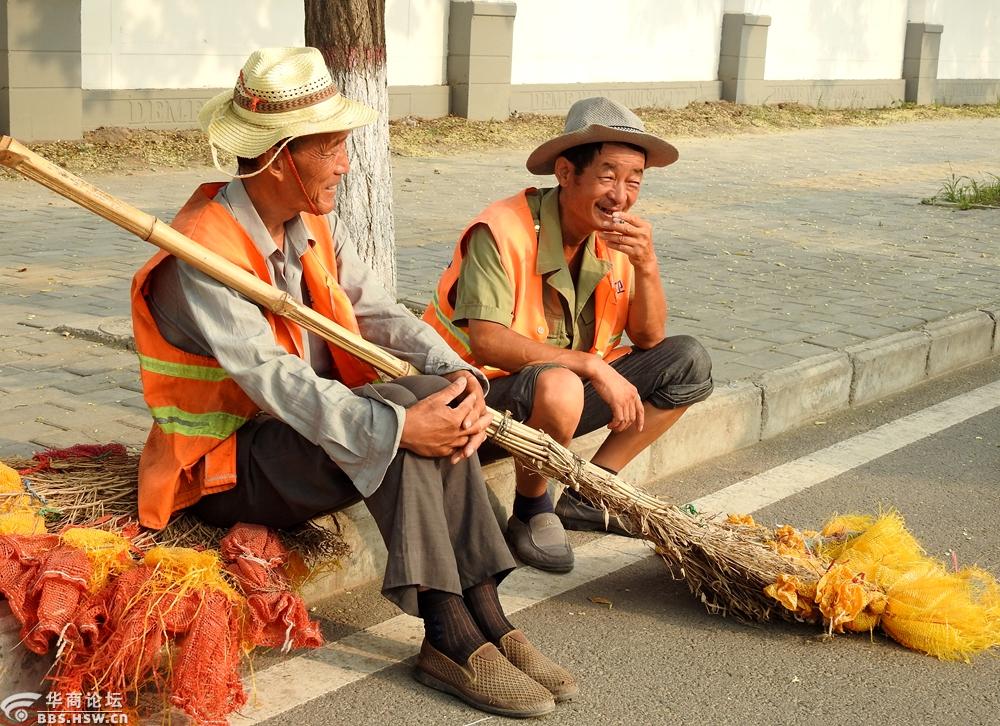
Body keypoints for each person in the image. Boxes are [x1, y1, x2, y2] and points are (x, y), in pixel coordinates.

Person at [130, 47, 574, 718]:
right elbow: (275, 379)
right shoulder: (202, 252)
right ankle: (450, 632)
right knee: (400, 425)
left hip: (299, 440)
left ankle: (486, 616)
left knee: (429, 399)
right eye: (331, 148)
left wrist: (455, 373)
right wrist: (396, 425)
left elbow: (377, 311)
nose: (346, 163)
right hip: (222, 468)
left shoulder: (309, 219)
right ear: (279, 157)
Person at [424, 97, 714, 573]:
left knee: (688, 361)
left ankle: (589, 494)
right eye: (607, 176)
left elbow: (649, 337)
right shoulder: (502, 229)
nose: (620, 196)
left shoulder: (614, 238)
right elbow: (487, 342)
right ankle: (531, 508)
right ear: (565, 172)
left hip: (560, 400)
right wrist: (590, 365)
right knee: (560, 383)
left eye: (634, 181)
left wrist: (647, 264)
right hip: (473, 402)